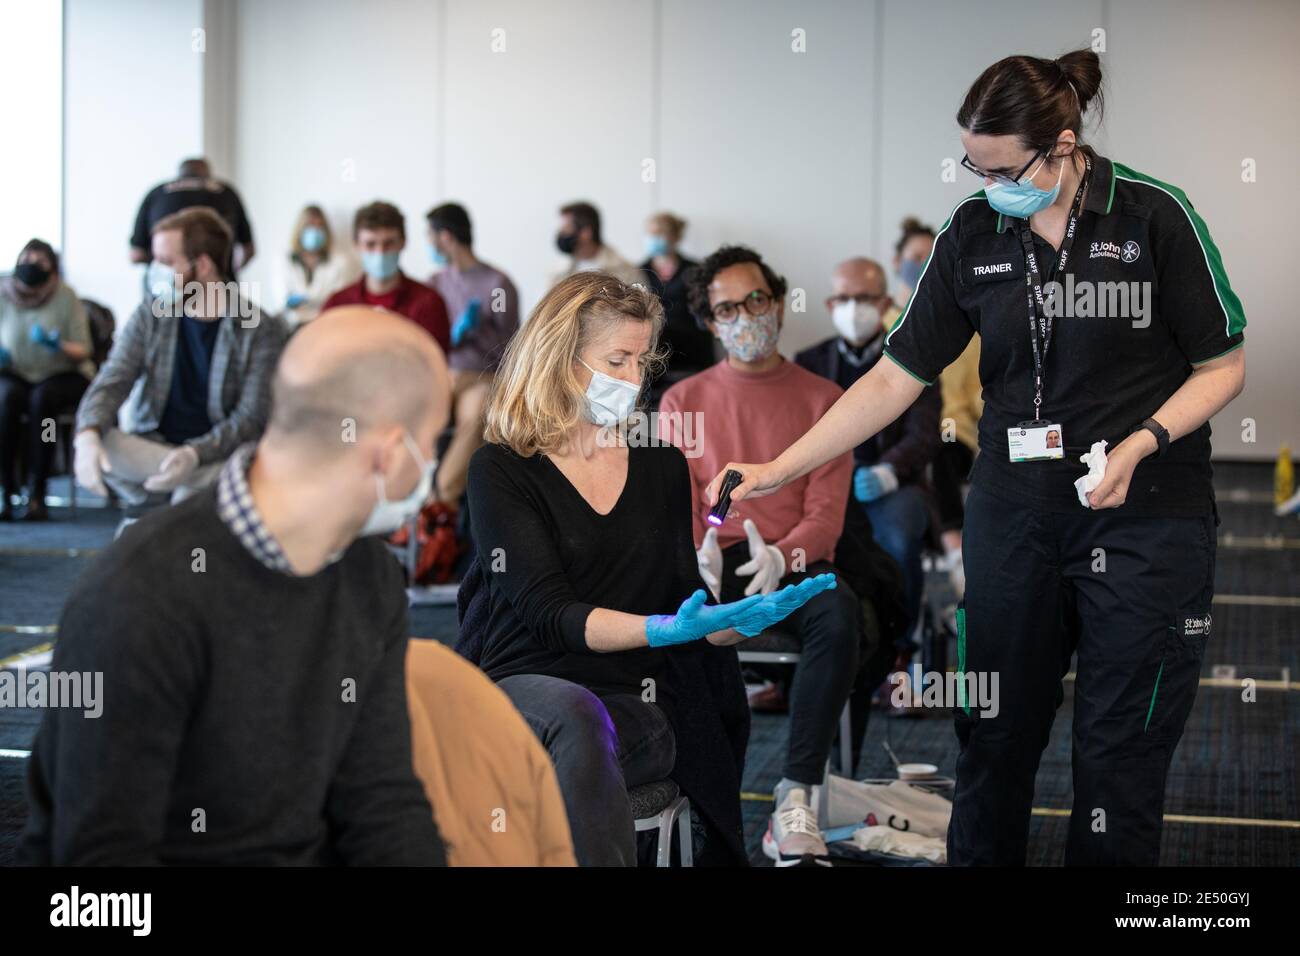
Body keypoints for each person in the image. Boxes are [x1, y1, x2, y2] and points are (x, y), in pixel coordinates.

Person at [705, 48, 1246, 867]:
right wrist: (776, 468)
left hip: (1144, 513)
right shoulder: (974, 232)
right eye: (973, 163)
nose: (985, 183)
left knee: (1118, 749)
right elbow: (895, 376)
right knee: (993, 731)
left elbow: (1223, 364)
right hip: (1015, 510)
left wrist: (1141, 442)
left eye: (1001, 166)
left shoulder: (1153, 217)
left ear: (1063, 145)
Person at [21, 306, 452, 865]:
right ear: (392, 453)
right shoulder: (139, 594)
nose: (435, 465)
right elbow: (103, 872)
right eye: (433, 441)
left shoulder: (368, 579)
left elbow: (381, 801)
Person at [459, 271, 835, 866]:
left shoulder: (661, 464)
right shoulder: (502, 470)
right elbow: (550, 615)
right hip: (525, 690)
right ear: (559, 359)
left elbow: (683, 604)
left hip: (633, 700)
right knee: (575, 721)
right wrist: (663, 628)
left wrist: (739, 622)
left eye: (642, 360)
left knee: (588, 730)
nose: (635, 380)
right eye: (617, 360)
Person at [660, 245, 864, 866]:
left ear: (775, 302)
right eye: (728, 308)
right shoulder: (683, 401)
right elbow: (680, 501)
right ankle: (683, 792)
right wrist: (699, 550)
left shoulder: (825, 398)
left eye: (755, 300)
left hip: (791, 565)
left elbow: (826, 514)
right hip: (712, 562)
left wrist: (784, 555)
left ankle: (794, 791)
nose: (746, 316)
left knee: (839, 612)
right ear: (710, 321)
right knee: (663, 625)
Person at [74, 208, 287, 510]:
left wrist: (193, 455)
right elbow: (114, 378)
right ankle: (186, 499)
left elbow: (251, 418)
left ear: (201, 265)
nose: (154, 271)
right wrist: (88, 435)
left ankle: (175, 505)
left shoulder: (258, 328)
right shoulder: (152, 313)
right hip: (154, 450)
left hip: (218, 455)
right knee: (105, 444)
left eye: (165, 261)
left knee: (231, 472)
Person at [796, 256, 940, 658]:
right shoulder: (808, 363)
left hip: (890, 485)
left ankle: (897, 648)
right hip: (823, 484)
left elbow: (925, 434)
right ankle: (804, 661)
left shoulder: (917, 355)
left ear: (884, 304)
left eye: (864, 298)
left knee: (896, 540)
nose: (853, 308)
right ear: (828, 305)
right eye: (843, 298)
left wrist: (889, 471)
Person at [889, 217, 982, 596]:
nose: (923, 263)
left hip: (955, 436)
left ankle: (956, 549)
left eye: (931, 256)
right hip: (901, 442)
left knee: (943, 450)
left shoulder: (967, 330)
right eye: (915, 257)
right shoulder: (884, 326)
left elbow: (983, 394)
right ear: (897, 263)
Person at [425, 202, 520, 507]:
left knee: (475, 416)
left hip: (483, 376)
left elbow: (512, 348)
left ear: (446, 237)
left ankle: (440, 497)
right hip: (442, 374)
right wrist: (453, 334)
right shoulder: (435, 284)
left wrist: (483, 332)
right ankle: (407, 491)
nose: (429, 244)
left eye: (431, 237)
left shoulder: (498, 285)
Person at [0, 240, 93, 521]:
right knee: (6, 402)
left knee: (43, 408)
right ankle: (6, 489)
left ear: (52, 268)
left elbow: (83, 349)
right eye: (26, 259)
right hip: (15, 372)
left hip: (60, 374)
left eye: (40, 261)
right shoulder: (3, 293)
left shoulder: (66, 296)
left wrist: (58, 346)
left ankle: (38, 490)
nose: (31, 266)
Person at [323, 201, 450, 353]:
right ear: (357, 245)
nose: (380, 252)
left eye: (388, 243)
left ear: (403, 242)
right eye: (370, 244)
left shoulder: (429, 304)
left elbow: (435, 366)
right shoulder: (337, 306)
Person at [637, 212, 714, 404]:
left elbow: (706, 313)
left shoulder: (696, 271)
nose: (654, 239)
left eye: (660, 233)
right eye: (651, 233)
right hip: (653, 359)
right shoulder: (638, 272)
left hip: (692, 356)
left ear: (676, 236)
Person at [130, 158, 254, 271]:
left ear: (180, 175)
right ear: (208, 175)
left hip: (162, 289)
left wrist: (164, 264)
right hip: (220, 285)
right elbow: (249, 250)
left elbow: (136, 254)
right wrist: (230, 272)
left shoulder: (156, 193)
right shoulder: (227, 192)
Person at [276, 204, 358, 326]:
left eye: (320, 226)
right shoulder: (284, 259)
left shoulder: (340, 262)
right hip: (292, 325)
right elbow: (283, 300)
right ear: (300, 229)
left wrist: (305, 300)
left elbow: (338, 301)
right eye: (310, 226)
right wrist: (317, 300)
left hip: (326, 324)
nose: (315, 231)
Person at [549, 201, 643, 288]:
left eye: (566, 228)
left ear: (586, 232)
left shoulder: (624, 271)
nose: (561, 233)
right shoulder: (558, 272)